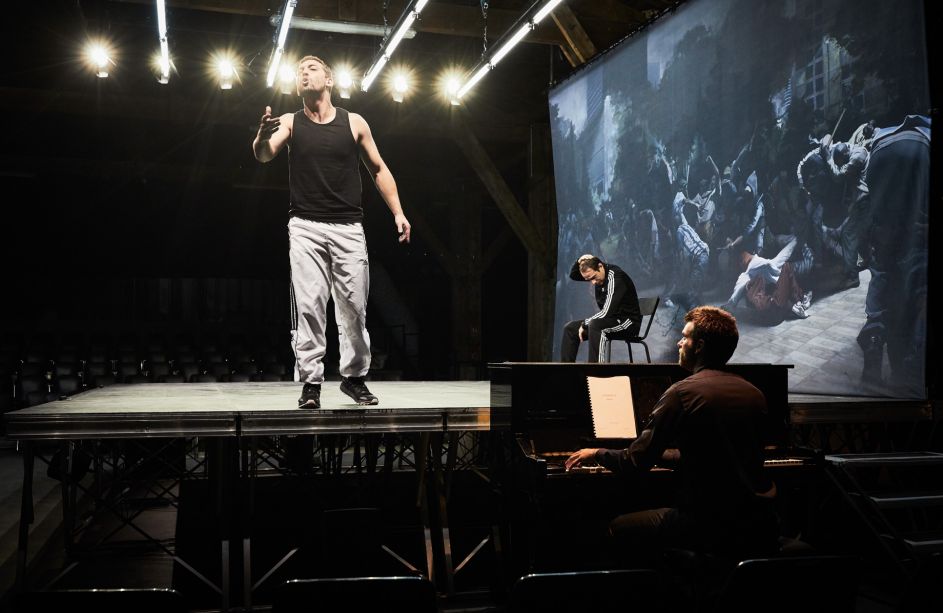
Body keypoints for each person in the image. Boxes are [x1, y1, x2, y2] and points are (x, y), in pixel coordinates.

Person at [252, 55, 411, 409]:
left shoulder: (354, 122)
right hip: (305, 226)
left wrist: (398, 212)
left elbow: (379, 169)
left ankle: (354, 379)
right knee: (309, 306)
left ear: (329, 79)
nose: (303, 73)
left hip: (348, 228)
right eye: (299, 71)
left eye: (310, 68)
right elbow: (264, 155)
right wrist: (261, 138)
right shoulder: (290, 122)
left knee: (353, 308)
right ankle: (311, 383)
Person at [565, 306, 780, 567]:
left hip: (705, 524)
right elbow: (712, 456)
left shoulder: (683, 393)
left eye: (684, 337)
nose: (679, 342)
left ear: (699, 346)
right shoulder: (754, 393)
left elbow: (634, 462)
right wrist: (662, 456)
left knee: (616, 527)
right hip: (754, 522)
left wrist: (596, 453)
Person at [560, 255, 641, 362]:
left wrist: (584, 324)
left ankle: (595, 369)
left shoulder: (615, 277)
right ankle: (566, 370)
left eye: (593, 277)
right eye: (589, 279)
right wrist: (579, 260)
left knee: (595, 325)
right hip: (610, 320)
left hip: (628, 323)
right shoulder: (596, 273)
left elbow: (606, 312)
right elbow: (573, 275)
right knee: (570, 328)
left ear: (600, 266)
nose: (593, 282)